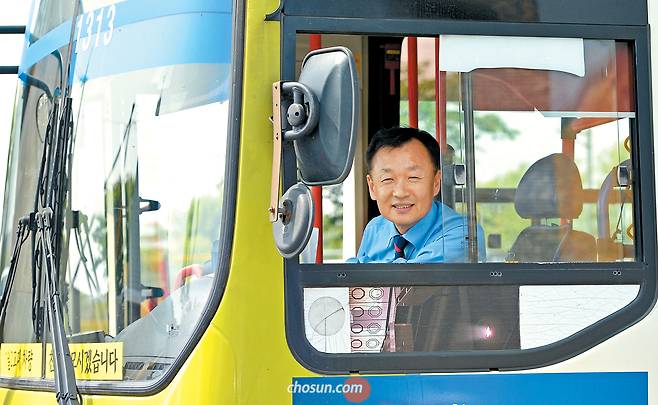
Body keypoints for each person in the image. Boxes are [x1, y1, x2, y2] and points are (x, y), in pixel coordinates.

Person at [349, 127, 486, 264]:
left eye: (413, 177)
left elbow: (412, 279)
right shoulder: (375, 228)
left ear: (436, 183)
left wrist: (359, 268)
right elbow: (354, 280)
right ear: (372, 187)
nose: (401, 193)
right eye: (387, 179)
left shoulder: (465, 233)